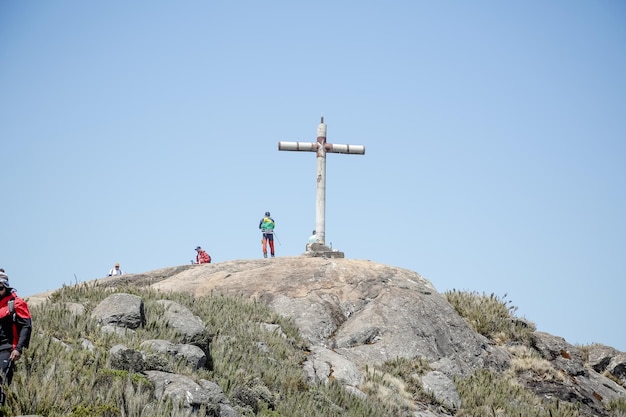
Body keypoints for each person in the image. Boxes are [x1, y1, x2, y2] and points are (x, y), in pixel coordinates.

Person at [0, 271, 31, 394]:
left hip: (7, 350)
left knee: (1, 380)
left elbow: (26, 326)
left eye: (0, 287)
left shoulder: (16, 303)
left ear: (6, 286)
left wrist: (18, 348)